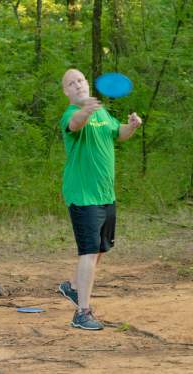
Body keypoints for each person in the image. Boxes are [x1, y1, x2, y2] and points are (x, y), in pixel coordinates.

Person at [58, 69, 142, 330]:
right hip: (83, 195)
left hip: (106, 194)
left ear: (86, 83)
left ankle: (72, 287)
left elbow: (118, 134)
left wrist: (132, 126)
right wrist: (86, 110)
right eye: (72, 84)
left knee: (101, 249)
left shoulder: (103, 114)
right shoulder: (71, 114)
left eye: (80, 80)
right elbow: (76, 124)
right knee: (89, 251)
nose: (78, 85)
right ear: (66, 92)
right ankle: (82, 313)